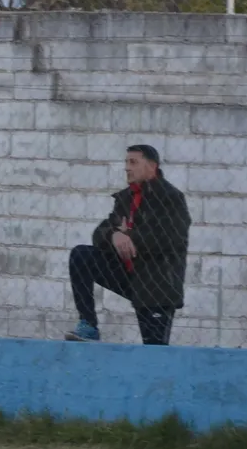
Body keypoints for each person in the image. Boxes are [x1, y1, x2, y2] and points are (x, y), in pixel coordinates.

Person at [65, 145, 191, 346]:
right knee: (81, 255)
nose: (126, 168)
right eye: (126, 162)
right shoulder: (125, 198)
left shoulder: (171, 198)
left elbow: (170, 238)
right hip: (126, 275)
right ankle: (88, 325)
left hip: (156, 285)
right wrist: (114, 235)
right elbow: (99, 234)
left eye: (133, 162)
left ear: (151, 166)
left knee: (154, 350)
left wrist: (128, 235)